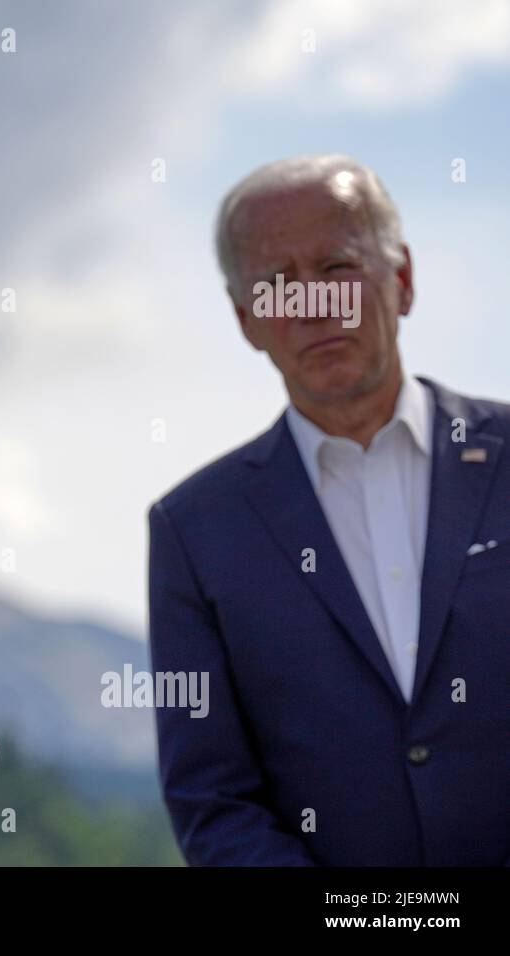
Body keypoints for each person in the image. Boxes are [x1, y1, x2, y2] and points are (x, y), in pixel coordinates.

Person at [148, 154, 510, 865]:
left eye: (336, 268)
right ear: (247, 320)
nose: (313, 305)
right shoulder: (193, 531)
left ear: (402, 279)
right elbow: (212, 801)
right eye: (278, 283)